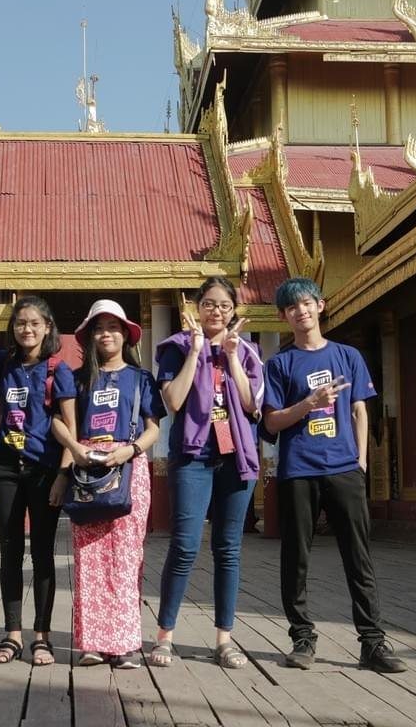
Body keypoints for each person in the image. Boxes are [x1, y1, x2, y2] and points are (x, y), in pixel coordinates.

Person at [262, 277, 407, 674]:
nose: (300, 312)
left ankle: (372, 643)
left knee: (358, 557)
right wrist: (308, 403)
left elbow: (360, 410)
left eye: (306, 304)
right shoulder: (280, 364)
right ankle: (302, 638)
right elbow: (272, 423)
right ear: (283, 317)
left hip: (344, 469)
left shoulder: (348, 356)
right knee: (296, 558)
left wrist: (360, 460)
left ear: (320, 306)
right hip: (298, 471)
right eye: (292, 308)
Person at [151, 276, 263, 669]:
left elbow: (252, 406)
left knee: (227, 550)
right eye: (210, 303)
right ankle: (165, 636)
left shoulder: (247, 352)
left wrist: (231, 356)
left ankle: (224, 639)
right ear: (196, 307)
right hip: (193, 457)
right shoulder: (175, 348)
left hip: (236, 459)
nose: (217, 311)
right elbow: (174, 401)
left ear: (234, 310)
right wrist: (197, 351)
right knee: (184, 547)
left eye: (225, 305)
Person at [53, 299, 164, 669]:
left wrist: (129, 451)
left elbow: (153, 430)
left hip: (129, 466)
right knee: (89, 556)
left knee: (127, 557)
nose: (106, 334)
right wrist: (74, 451)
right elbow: (60, 421)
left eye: (113, 327)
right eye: (99, 328)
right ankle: (92, 643)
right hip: (87, 466)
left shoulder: (141, 378)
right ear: (89, 336)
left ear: (125, 335)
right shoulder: (76, 376)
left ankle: (126, 643)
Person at [0, 296, 77, 666]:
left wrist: (63, 475)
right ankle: (11, 635)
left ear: (47, 328)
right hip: (6, 465)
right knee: (10, 551)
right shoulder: (3, 364)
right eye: (21, 323)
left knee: (41, 553)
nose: (27, 329)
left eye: (35, 323)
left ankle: (42, 636)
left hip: (44, 469)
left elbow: (71, 429)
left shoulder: (58, 369)